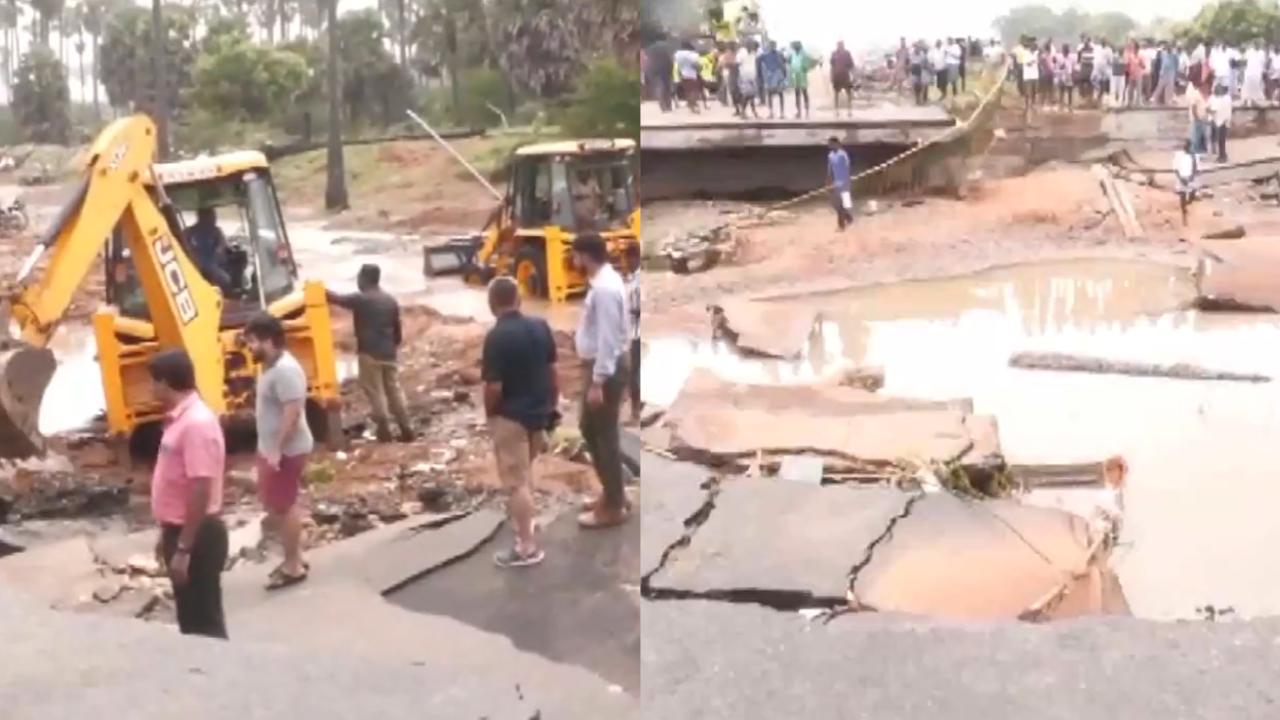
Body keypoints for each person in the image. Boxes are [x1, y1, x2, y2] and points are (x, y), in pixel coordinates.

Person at [149, 349, 229, 639]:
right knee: (191, 620)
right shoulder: (179, 420)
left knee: (204, 621)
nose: (152, 390)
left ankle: (219, 677)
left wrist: (183, 548)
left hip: (197, 535)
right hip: (180, 530)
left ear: (166, 382)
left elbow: (200, 487)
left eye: (154, 383)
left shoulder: (196, 424)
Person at [481, 277, 558, 567]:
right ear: (519, 299)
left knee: (516, 483)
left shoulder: (496, 338)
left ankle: (526, 547)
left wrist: (490, 413)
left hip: (510, 417)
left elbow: (494, 388)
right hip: (538, 414)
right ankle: (526, 524)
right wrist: (552, 405)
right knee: (525, 475)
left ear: (492, 304)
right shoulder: (540, 326)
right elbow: (553, 372)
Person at [243, 312, 313, 590]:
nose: (249, 348)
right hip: (274, 449)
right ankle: (296, 556)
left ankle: (293, 566)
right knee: (281, 504)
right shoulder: (270, 367)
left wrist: (276, 450)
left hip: (286, 452)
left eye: (253, 342)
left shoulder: (285, 371)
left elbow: (292, 414)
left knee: (284, 507)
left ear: (269, 341)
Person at [571, 233, 630, 528]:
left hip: (604, 369)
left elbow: (608, 338)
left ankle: (614, 506)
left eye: (575, 254)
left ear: (585, 255)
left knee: (602, 436)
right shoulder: (606, 281)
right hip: (603, 367)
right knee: (591, 429)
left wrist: (598, 381)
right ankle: (612, 493)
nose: (573, 260)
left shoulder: (605, 289)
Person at [326, 264, 412, 443]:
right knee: (394, 391)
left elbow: (336, 299)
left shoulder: (361, 299)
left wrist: (317, 289)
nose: (357, 281)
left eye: (359, 278)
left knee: (376, 393)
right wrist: (391, 347)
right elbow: (397, 331)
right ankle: (407, 429)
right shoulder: (390, 300)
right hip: (389, 353)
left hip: (369, 353)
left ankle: (384, 432)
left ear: (365, 279)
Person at [187, 207, 231, 289]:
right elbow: (222, 248)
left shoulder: (188, 232)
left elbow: (221, 247)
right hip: (207, 267)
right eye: (212, 216)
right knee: (226, 280)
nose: (214, 218)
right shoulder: (216, 232)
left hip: (196, 267)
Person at [623, 242, 642, 425]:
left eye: (627, 259)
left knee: (634, 374)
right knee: (635, 372)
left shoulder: (638, 280)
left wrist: (628, 311)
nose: (625, 262)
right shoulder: (631, 279)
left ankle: (635, 415)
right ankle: (636, 410)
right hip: (633, 333)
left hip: (637, 333)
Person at [827, 137, 854, 230]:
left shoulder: (843, 154)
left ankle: (841, 225)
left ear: (837, 143)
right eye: (829, 144)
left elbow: (847, 168)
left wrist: (846, 181)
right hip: (835, 182)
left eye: (831, 143)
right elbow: (830, 169)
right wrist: (828, 181)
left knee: (843, 204)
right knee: (835, 204)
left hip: (844, 182)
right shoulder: (830, 155)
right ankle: (848, 218)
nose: (829, 145)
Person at [758, 40, 787, 118]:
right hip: (770, 76)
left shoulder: (779, 54)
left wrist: (784, 75)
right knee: (770, 95)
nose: (772, 47)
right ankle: (771, 112)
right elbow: (758, 61)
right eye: (771, 45)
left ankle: (781, 113)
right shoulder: (765, 55)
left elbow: (783, 64)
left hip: (777, 76)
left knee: (779, 95)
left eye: (773, 45)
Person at [1174, 140, 1199, 227]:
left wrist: (1191, 177)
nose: (1187, 147)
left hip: (1190, 178)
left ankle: (1187, 204)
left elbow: (1195, 167)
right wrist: (1181, 179)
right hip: (1182, 178)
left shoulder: (1193, 156)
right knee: (1182, 196)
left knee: (1193, 192)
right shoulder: (1178, 155)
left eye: (1188, 146)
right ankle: (1184, 215)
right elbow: (1176, 169)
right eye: (1186, 145)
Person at [673, 42, 701, 113]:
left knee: (688, 91)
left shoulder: (677, 54)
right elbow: (695, 64)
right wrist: (699, 68)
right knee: (694, 91)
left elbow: (677, 65)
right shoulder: (692, 54)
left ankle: (691, 104)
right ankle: (692, 105)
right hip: (691, 74)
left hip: (682, 74)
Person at [1208, 82, 1232, 162]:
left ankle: (1222, 157)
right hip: (1223, 121)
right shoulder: (1227, 98)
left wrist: (1208, 110)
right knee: (1220, 140)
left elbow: (1213, 110)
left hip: (1221, 122)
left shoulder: (1222, 100)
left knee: (1221, 141)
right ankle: (1222, 154)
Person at [736, 40, 761, 118]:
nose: (755, 48)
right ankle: (744, 112)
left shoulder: (753, 54)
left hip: (752, 76)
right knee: (746, 95)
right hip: (744, 77)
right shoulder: (742, 53)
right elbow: (737, 63)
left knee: (751, 95)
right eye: (754, 46)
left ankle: (752, 112)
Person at [830, 41, 855, 115]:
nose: (839, 46)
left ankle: (849, 109)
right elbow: (832, 65)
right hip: (837, 76)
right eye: (838, 45)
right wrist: (832, 76)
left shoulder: (847, 53)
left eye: (841, 45)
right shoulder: (834, 53)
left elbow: (851, 64)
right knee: (836, 93)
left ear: (843, 45)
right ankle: (836, 110)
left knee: (848, 92)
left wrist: (849, 72)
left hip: (845, 75)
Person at [788, 41, 813, 118]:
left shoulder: (804, 54)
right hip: (795, 76)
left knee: (804, 93)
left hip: (802, 75)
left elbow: (809, 63)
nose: (793, 48)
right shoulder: (792, 54)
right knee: (797, 94)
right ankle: (799, 111)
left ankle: (807, 110)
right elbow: (789, 62)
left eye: (794, 46)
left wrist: (806, 68)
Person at [1150, 41, 1179, 105]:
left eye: (1170, 47)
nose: (1169, 48)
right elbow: (1158, 52)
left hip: (1171, 72)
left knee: (1169, 88)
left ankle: (1168, 101)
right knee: (1160, 86)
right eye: (1168, 47)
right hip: (1163, 72)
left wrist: (1176, 74)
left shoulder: (1174, 54)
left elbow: (1177, 64)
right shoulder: (1163, 53)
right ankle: (1154, 99)